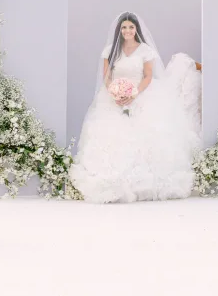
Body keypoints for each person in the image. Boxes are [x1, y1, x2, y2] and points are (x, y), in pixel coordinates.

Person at [69, 12, 200, 203]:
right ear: (119, 30)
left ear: (136, 29)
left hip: (141, 94)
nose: (127, 31)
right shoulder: (110, 50)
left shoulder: (145, 50)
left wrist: (134, 94)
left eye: (131, 27)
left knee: (147, 136)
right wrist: (115, 93)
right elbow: (107, 77)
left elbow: (147, 76)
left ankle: (145, 184)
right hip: (114, 97)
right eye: (124, 27)